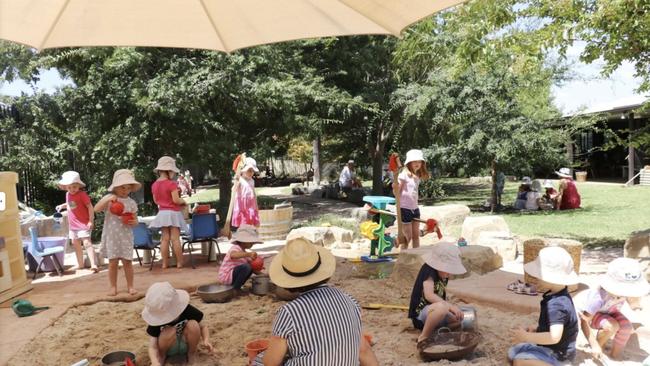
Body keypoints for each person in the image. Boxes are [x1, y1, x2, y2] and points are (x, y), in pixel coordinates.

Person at [258, 238, 378, 366]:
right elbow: (363, 350)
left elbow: (271, 363)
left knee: (259, 359)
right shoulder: (349, 300)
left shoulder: (289, 313)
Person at [508, 246, 579, 366]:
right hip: (551, 348)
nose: (536, 277)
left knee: (518, 361)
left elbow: (554, 337)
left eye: (539, 274)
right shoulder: (559, 293)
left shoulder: (557, 305)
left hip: (558, 354)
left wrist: (527, 336)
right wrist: (537, 329)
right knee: (513, 352)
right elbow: (557, 323)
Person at [575, 258, 649, 360]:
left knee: (626, 326)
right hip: (594, 314)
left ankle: (615, 354)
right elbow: (585, 320)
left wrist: (634, 304)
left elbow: (632, 299)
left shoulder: (623, 293)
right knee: (611, 326)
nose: (627, 293)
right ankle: (599, 348)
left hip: (611, 310)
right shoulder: (599, 297)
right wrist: (594, 345)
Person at [408, 242, 468, 349]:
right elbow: (429, 295)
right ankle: (424, 337)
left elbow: (440, 295)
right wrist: (449, 306)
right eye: (448, 269)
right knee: (442, 307)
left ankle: (438, 330)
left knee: (458, 318)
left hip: (434, 311)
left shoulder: (443, 274)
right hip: (421, 314)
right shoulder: (429, 271)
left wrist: (451, 308)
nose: (449, 274)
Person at [142, 282, 213, 366]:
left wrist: (206, 340)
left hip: (186, 343)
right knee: (168, 330)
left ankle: (191, 354)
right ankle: (161, 357)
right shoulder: (156, 321)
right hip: (167, 348)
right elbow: (152, 346)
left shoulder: (187, 309)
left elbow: (203, 326)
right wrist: (154, 361)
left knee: (193, 324)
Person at [94, 169, 140, 296]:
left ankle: (130, 286)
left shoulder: (131, 202)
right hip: (112, 236)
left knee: (128, 262)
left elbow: (135, 219)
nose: (125, 190)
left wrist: (134, 222)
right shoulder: (110, 200)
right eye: (122, 187)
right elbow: (96, 209)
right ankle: (113, 287)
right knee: (113, 263)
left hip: (126, 236)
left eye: (128, 188)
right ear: (115, 187)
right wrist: (107, 198)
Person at [149, 156, 188, 269]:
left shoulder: (154, 185)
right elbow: (176, 200)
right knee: (175, 238)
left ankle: (164, 263)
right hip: (173, 213)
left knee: (164, 239)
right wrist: (183, 201)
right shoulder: (171, 184)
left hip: (162, 213)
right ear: (168, 171)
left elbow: (156, 200)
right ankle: (180, 262)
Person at [55, 171, 99, 272]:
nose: (72, 189)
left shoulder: (82, 195)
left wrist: (90, 221)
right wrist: (63, 206)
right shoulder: (68, 195)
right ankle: (80, 264)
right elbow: (72, 205)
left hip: (83, 223)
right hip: (73, 225)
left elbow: (90, 207)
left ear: (78, 185)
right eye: (69, 187)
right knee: (75, 244)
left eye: (74, 186)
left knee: (87, 243)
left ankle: (93, 264)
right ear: (66, 187)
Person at [395, 149, 429, 249]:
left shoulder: (417, 176)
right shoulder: (403, 175)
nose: (417, 164)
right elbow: (396, 193)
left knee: (415, 236)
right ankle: (404, 257)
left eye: (419, 161)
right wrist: (395, 188)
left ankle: (416, 257)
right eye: (414, 161)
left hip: (415, 209)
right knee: (407, 237)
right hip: (404, 209)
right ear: (409, 162)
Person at [217, 225, 262, 292]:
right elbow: (233, 255)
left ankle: (237, 286)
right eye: (251, 242)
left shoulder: (245, 254)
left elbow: (253, 269)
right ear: (243, 241)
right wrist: (249, 254)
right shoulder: (236, 248)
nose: (252, 244)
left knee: (250, 267)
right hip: (226, 276)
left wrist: (263, 275)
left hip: (232, 277)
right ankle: (236, 289)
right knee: (246, 267)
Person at [232, 157, 260, 229]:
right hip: (242, 205)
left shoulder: (252, 181)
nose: (251, 173)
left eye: (252, 171)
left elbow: (253, 193)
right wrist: (236, 181)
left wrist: (256, 206)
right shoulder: (240, 180)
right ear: (243, 170)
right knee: (243, 222)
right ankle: (243, 235)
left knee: (250, 222)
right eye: (249, 170)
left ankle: (249, 235)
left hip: (251, 204)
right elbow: (233, 190)